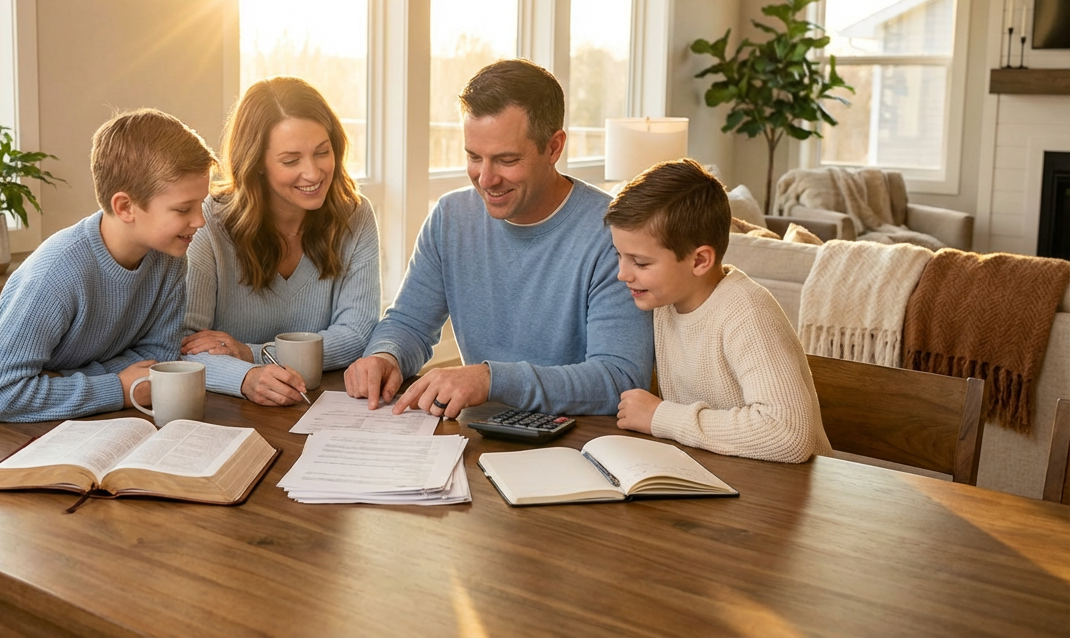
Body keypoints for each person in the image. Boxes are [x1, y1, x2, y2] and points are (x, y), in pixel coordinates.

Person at [344, 58, 653, 418]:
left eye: (506, 160)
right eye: (474, 157)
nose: (485, 179)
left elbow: (620, 379)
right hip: (479, 434)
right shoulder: (450, 217)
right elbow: (409, 323)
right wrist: (386, 355)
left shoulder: (613, 233)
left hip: (579, 443)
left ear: (554, 147)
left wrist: (491, 380)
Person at [0, 108, 215, 422]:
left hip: (59, 420)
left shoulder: (169, 259)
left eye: (201, 204)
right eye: (183, 208)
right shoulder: (57, 271)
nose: (200, 220)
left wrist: (59, 379)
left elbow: (157, 362)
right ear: (125, 207)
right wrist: (115, 387)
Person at [604, 158, 831, 463]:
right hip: (722, 476)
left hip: (791, 492)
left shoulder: (747, 312)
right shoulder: (664, 301)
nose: (623, 274)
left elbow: (789, 435)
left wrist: (661, 417)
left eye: (641, 263)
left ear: (699, 261)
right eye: (619, 255)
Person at [181, 77, 380, 405]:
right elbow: (187, 347)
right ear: (257, 163)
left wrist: (251, 354)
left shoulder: (354, 215)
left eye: (322, 152)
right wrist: (245, 379)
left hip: (320, 403)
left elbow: (357, 336)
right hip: (230, 408)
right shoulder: (208, 221)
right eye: (291, 161)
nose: (313, 173)